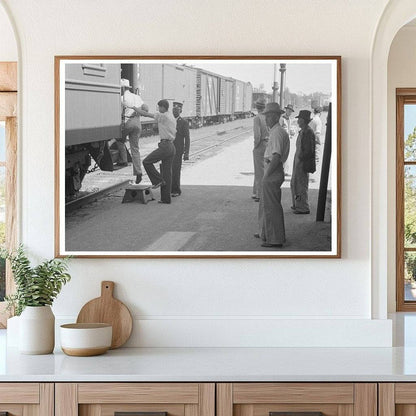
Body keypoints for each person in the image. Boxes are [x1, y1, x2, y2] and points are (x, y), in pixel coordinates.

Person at [256, 102, 290, 248]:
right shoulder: (278, 131)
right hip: (273, 170)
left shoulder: (276, 133)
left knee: (271, 208)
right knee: (267, 205)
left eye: (269, 116)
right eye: (266, 116)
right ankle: (266, 233)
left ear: (276, 117)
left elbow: (276, 156)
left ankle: (275, 239)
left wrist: (266, 175)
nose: (266, 119)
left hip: (272, 170)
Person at [134, 99, 177, 204]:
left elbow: (147, 114)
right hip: (171, 146)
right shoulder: (171, 116)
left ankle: (158, 180)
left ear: (162, 107)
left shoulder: (163, 116)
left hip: (165, 146)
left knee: (147, 162)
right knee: (167, 174)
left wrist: (135, 109)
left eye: (158, 107)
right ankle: (166, 199)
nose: (158, 109)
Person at [291, 110, 316, 214]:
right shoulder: (303, 131)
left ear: (304, 121)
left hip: (302, 162)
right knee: (295, 184)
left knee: (301, 185)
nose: (298, 121)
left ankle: (303, 207)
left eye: (300, 120)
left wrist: (301, 157)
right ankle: (297, 204)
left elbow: (309, 150)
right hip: (298, 160)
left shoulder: (308, 132)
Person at [120, 79, 145, 184]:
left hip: (128, 122)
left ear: (122, 88)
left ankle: (123, 160)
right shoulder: (137, 97)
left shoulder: (121, 98)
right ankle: (138, 172)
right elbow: (145, 107)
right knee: (135, 149)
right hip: (137, 122)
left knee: (118, 140)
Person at [171, 102, 190, 197]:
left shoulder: (184, 122)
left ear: (180, 111)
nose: (174, 111)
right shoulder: (169, 120)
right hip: (168, 148)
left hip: (178, 150)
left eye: (177, 110)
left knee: (176, 169)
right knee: (168, 169)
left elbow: (187, 138)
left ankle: (176, 190)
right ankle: (169, 189)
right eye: (173, 109)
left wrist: (186, 152)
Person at [252, 99, 269, 202]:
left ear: (257, 107)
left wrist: (255, 145)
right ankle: (255, 192)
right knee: (264, 169)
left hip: (260, 144)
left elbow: (257, 135)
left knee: (259, 171)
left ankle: (259, 194)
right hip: (268, 144)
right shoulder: (267, 117)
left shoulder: (257, 118)